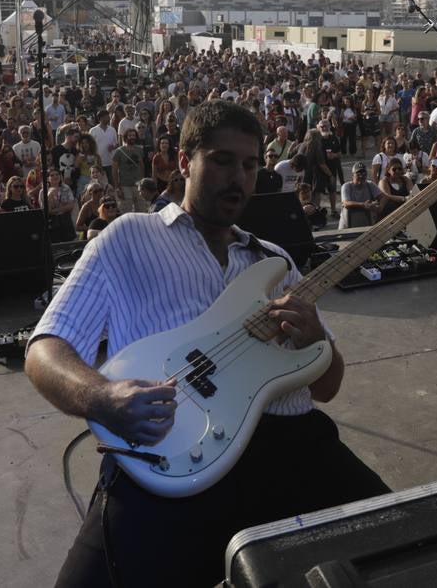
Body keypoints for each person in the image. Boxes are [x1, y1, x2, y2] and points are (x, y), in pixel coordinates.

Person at [24, 100, 387, 586]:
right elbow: (46, 348)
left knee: (410, 542)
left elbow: (327, 387)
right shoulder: (128, 237)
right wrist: (102, 397)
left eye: (250, 164)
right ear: (183, 162)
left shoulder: (275, 261)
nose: (238, 177)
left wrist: (318, 338)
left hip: (292, 449)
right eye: (221, 160)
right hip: (171, 449)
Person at [339, 161, 382, 229]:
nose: (361, 176)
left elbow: (382, 198)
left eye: (363, 173)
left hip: (366, 224)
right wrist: (363, 205)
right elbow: (346, 203)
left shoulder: (370, 185)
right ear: (353, 175)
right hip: (347, 224)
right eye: (358, 173)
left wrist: (377, 206)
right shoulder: (346, 186)